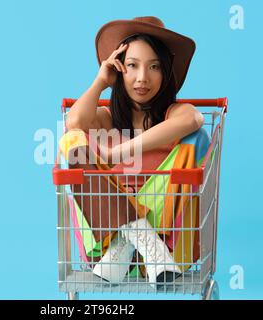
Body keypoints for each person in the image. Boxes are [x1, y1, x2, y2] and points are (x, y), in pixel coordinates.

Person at [63, 16, 203, 288]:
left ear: (165, 73)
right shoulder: (106, 119)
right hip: (108, 252)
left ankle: (135, 241)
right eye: (132, 65)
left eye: (154, 67)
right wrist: (100, 81)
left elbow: (192, 120)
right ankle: (138, 238)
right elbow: (75, 123)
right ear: (119, 70)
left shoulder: (173, 114)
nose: (142, 78)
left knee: (197, 138)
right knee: (72, 141)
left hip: (168, 244)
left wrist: (119, 152)